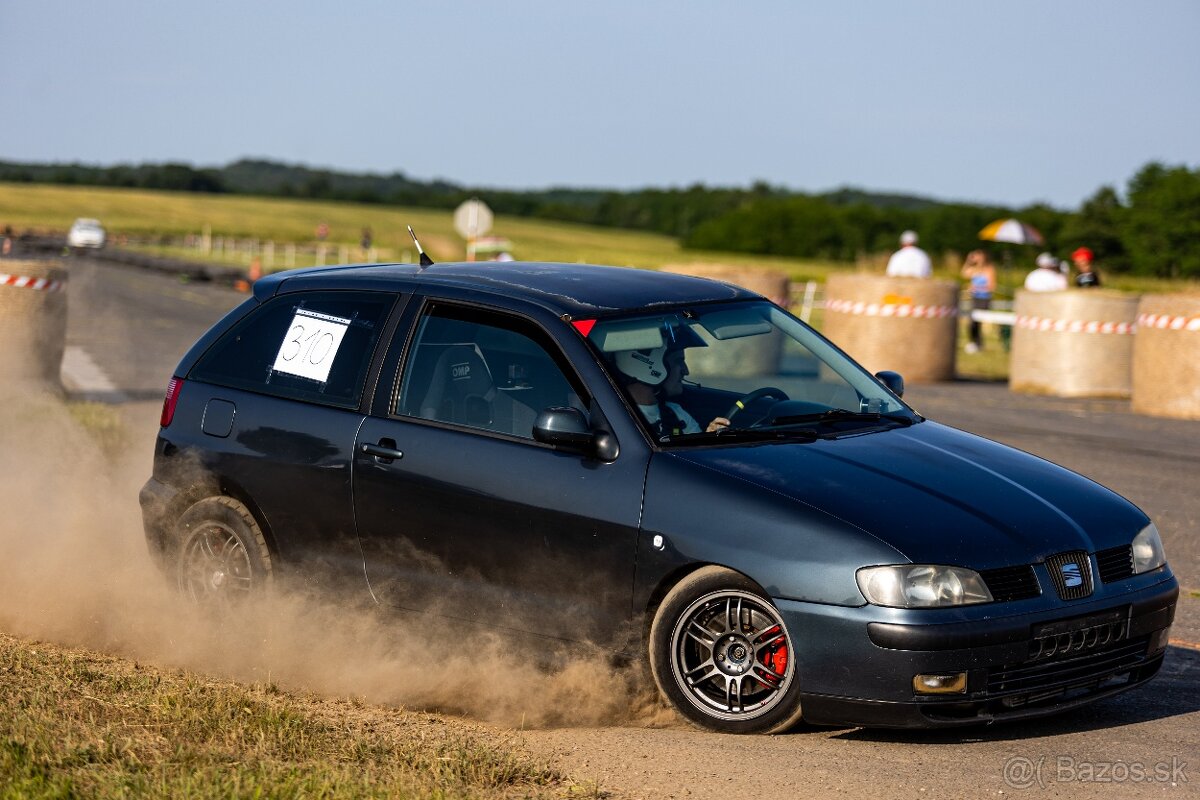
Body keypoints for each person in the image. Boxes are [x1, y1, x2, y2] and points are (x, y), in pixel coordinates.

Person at [614, 341, 729, 436]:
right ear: (651, 366)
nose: (686, 371)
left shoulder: (675, 413)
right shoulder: (616, 418)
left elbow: (698, 456)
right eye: (678, 361)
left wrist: (709, 438)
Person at [960, 250, 996, 353]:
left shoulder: (989, 269)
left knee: (977, 322)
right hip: (974, 298)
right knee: (971, 323)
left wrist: (976, 288)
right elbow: (963, 273)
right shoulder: (975, 269)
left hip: (983, 298)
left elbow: (991, 286)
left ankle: (978, 343)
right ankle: (975, 343)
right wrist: (968, 261)